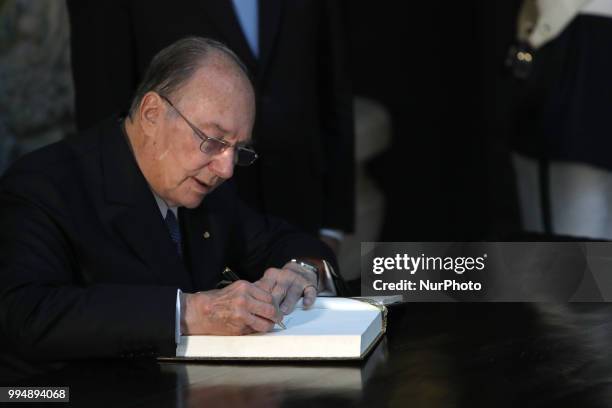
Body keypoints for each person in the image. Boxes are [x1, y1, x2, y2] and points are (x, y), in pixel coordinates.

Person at [0, 37, 338, 368]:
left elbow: (281, 239)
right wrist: (189, 313)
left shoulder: (202, 182)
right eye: (213, 140)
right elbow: (28, 316)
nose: (226, 169)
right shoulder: (42, 187)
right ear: (151, 114)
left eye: (238, 150)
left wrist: (302, 271)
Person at [66, 0, 355, 253]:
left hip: (298, 209)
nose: (228, 167)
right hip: (184, 228)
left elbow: (332, 84)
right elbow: (101, 100)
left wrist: (332, 227)